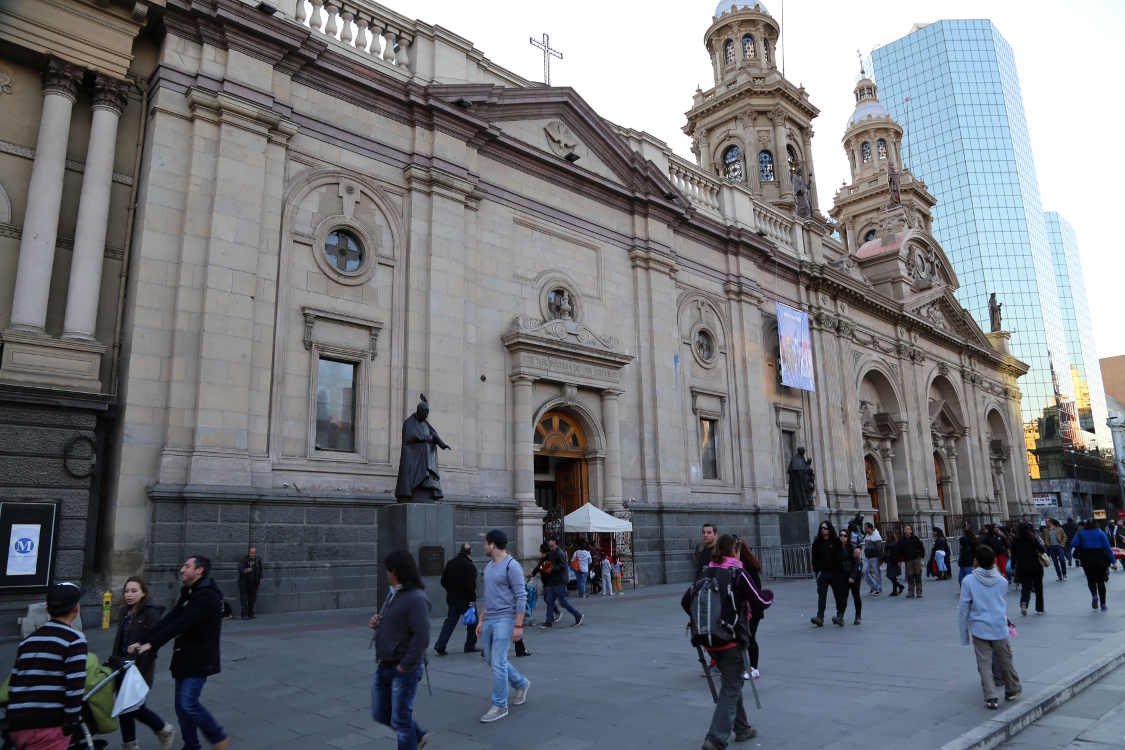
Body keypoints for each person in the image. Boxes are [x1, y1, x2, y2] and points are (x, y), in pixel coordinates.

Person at [681, 534, 773, 750]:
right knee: (731, 688)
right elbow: (759, 601)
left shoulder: (706, 572)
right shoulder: (737, 572)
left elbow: (686, 601)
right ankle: (715, 738)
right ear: (734, 551)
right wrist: (769, 594)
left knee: (732, 682)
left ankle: (742, 728)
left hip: (709, 641)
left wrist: (705, 621)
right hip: (731, 640)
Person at [129, 556, 228, 750]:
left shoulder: (207, 596)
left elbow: (182, 623)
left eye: (187, 566)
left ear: (199, 570)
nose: (182, 569)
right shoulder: (190, 592)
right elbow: (169, 619)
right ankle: (191, 746)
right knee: (182, 709)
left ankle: (218, 737)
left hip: (199, 659)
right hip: (184, 657)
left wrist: (152, 644)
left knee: (188, 703)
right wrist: (142, 640)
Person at [6, 582, 88, 750]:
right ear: (77, 608)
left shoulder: (28, 641)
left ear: (47, 609)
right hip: (48, 724)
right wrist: (70, 722)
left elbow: (13, 684)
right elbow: (75, 686)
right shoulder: (74, 640)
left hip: (18, 723)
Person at [369, 549, 431, 749]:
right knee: (381, 713)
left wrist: (405, 666)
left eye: (387, 569)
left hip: (403, 668)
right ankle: (418, 735)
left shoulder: (416, 598)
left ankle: (413, 738)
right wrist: (378, 621)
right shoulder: (394, 593)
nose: (386, 573)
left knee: (401, 722)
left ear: (394, 570)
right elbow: (397, 623)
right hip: (385, 665)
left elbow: (422, 636)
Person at [112, 577, 176, 750]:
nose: (129, 595)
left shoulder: (151, 613)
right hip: (121, 665)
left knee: (134, 707)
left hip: (138, 669)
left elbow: (155, 642)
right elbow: (120, 640)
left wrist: (143, 660)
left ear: (143, 593)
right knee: (124, 708)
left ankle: (164, 730)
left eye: (134, 591)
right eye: (126, 591)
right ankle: (129, 745)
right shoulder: (125, 611)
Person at [475, 529, 531, 723]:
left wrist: (518, 626)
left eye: (485, 543)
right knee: (491, 660)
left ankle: (499, 705)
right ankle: (520, 683)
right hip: (489, 619)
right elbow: (486, 595)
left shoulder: (511, 566)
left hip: (505, 619)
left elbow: (521, 596)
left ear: (492, 545)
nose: (483, 546)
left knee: (498, 662)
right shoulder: (489, 566)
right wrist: (481, 620)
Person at [959, 545, 1021, 710]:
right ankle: (1012, 689)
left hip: (979, 628)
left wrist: (964, 636)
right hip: (999, 626)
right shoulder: (1002, 581)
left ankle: (991, 697)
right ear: (994, 560)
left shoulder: (968, 581)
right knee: (1005, 659)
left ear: (976, 561)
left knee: (984, 663)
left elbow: (963, 610)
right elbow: (1001, 601)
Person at [434, 542, 481, 656]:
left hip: (451, 597)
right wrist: (472, 600)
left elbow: (443, 581)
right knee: (473, 621)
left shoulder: (451, 563)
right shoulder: (469, 565)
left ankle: (440, 644)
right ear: (470, 552)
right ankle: (470, 645)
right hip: (465, 598)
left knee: (450, 621)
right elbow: (471, 585)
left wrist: (450, 590)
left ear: (460, 551)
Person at [735, 537, 765, 680]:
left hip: (752, 609)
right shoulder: (736, 565)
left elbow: (757, 588)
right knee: (741, 637)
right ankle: (741, 665)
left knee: (750, 637)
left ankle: (754, 668)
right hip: (740, 609)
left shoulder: (749, 566)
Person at [1071, 520, 1117, 610]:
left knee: (1090, 580)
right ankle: (1103, 604)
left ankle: (1094, 595)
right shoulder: (1101, 533)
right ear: (1096, 525)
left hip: (1086, 560)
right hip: (1100, 560)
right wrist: (1113, 562)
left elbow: (1074, 543)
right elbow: (1108, 548)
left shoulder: (1081, 533)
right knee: (1101, 582)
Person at [539, 535, 583, 628]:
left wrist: (551, 568)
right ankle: (549, 621)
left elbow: (563, 566)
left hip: (560, 581)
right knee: (549, 600)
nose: (548, 542)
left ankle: (577, 615)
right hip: (553, 580)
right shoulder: (552, 552)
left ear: (554, 541)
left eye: (550, 540)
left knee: (562, 602)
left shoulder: (560, 552)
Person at [809, 521, 842, 626]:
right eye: (822, 528)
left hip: (834, 572)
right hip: (822, 573)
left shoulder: (836, 541)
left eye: (826, 528)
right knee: (822, 595)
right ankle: (820, 617)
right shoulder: (817, 542)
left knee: (837, 595)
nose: (823, 530)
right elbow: (814, 558)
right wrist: (817, 571)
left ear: (830, 529)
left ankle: (839, 615)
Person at [1010, 522, 1046, 616]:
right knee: (1038, 587)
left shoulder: (1015, 541)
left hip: (1022, 566)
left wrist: (1013, 566)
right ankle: (1040, 608)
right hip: (1036, 566)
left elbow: (1013, 556)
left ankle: (1024, 603)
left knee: (1025, 587)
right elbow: (1042, 550)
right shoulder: (1032, 539)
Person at [899, 525, 926, 598]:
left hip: (916, 559)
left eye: (908, 529)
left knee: (918, 575)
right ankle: (911, 591)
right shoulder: (901, 540)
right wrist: (899, 560)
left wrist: (921, 555)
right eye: (905, 529)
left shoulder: (915, 538)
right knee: (910, 576)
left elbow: (921, 547)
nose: (906, 530)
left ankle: (919, 591)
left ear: (911, 531)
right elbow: (898, 551)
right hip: (908, 560)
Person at [237, 546, 264, 620]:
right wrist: (246, 570)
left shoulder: (258, 559)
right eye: (251, 553)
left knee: (252, 599)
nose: (252, 555)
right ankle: (244, 614)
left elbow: (261, 569)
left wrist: (261, 578)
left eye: (253, 553)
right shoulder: (244, 559)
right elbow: (240, 568)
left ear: (256, 553)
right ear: (248, 553)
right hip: (244, 582)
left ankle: (251, 613)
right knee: (244, 599)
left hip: (254, 582)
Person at [862, 522, 883, 595]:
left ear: (870, 528)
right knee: (864, 571)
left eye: (866, 528)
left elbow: (879, 549)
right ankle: (873, 586)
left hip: (874, 557)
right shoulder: (867, 535)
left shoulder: (876, 536)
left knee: (877, 573)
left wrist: (880, 559)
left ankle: (879, 589)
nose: (864, 529)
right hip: (867, 557)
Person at [958, 528, 980, 593]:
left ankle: (970, 590)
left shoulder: (967, 548)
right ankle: (965, 590)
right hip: (966, 564)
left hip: (968, 564)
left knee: (966, 578)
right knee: (962, 578)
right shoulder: (973, 543)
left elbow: (966, 556)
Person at [883, 531, 903, 596]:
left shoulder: (894, 544)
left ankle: (896, 590)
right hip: (890, 560)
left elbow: (896, 554)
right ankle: (898, 587)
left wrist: (893, 561)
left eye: (886, 535)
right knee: (890, 575)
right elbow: (886, 553)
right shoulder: (888, 543)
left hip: (893, 561)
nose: (885, 536)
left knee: (892, 575)